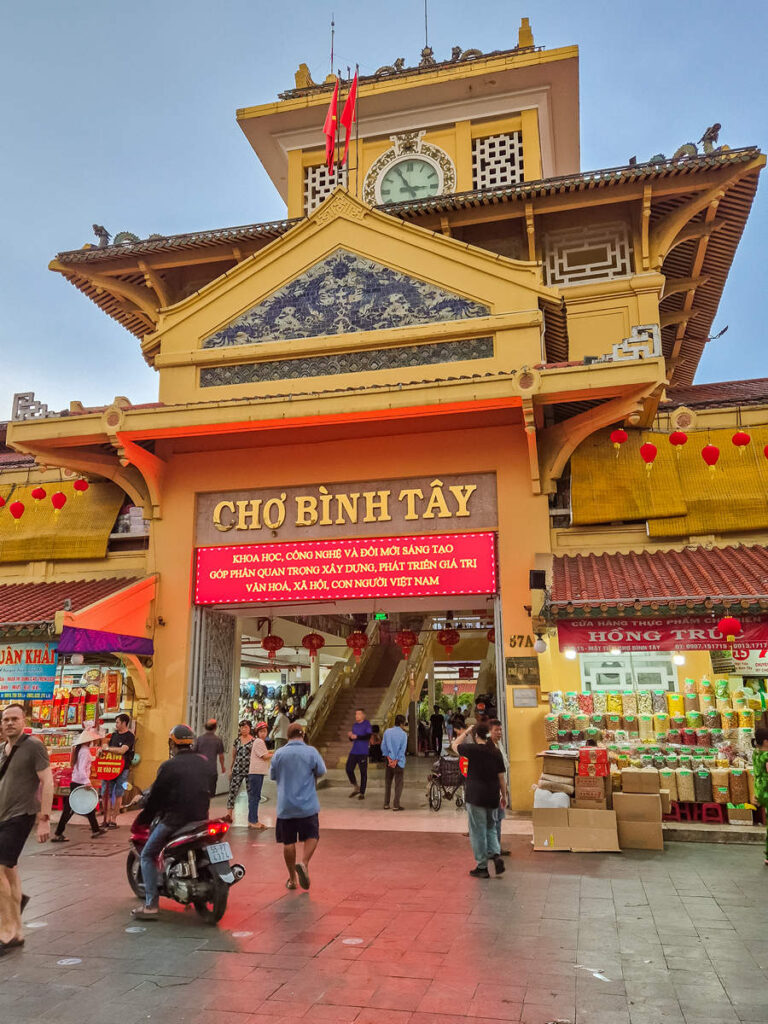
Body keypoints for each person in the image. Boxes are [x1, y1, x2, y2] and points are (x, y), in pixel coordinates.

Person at [131, 724, 210, 920]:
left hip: (175, 820)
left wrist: (144, 817)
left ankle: (150, 905)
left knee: (148, 855)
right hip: (201, 817)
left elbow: (156, 797)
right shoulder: (204, 762)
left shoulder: (168, 766)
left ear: (172, 743)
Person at [0, 704, 53, 954]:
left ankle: (7, 931)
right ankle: (17, 931)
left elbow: (47, 780)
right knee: (9, 871)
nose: (9, 723)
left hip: (20, 816)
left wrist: (45, 818)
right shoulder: (2, 750)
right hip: (2, 818)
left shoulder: (34, 746)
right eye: (6, 719)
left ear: (24, 721)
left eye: (14, 719)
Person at [269, 722, 326, 891]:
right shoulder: (311, 752)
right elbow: (321, 771)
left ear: (288, 736)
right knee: (313, 835)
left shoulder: (279, 754)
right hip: (307, 805)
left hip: (286, 806)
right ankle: (304, 863)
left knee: (288, 842)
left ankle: (292, 879)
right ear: (302, 735)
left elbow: (272, 775)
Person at [456, 722, 507, 878]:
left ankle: (482, 866)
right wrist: (504, 796)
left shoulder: (471, 750)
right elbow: (501, 777)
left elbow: (454, 744)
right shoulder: (495, 752)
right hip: (492, 796)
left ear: (476, 735)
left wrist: (467, 732)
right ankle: (496, 854)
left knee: (478, 832)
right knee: (491, 828)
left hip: (475, 796)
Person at [51, 729, 105, 842]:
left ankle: (95, 829)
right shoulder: (85, 751)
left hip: (76, 781)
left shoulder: (79, 750)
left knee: (87, 806)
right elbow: (82, 769)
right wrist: (86, 781)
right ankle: (58, 833)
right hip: (80, 783)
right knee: (69, 809)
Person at [101, 713, 135, 828]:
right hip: (110, 768)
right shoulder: (114, 735)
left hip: (123, 768)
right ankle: (107, 818)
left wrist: (108, 749)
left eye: (117, 722)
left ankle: (114, 819)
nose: (116, 724)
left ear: (124, 723)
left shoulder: (130, 736)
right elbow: (107, 747)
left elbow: (122, 751)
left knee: (119, 793)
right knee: (106, 793)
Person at [489, 718, 511, 857]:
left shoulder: (499, 745)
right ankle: (492, 849)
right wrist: (502, 791)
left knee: (498, 819)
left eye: (500, 730)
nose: (499, 733)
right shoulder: (489, 748)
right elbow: (498, 773)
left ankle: (496, 847)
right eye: (496, 730)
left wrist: (505, 789)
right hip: (493, 790)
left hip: (501, 788)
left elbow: (504, 769)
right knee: (493, 820)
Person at [226, 721, 254, 821]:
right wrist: (230, 769)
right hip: (237, 769)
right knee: (232, 791)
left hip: (249, 770)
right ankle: (229, 814)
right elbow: (234, 756)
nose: (243, 729)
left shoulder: (254, 741)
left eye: (246, 727)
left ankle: (252, 816)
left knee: (251, 793)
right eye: (242, 728)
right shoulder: (237, 741)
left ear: (249, 728)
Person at [247, 721, 272, 831]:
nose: (263, 733)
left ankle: (252, 820)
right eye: (261, 731)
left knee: (254, 797)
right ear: (257, 732)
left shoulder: (259, 742)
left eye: (265, 731)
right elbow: (265, 756)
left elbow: (265, 754)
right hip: (256, 773)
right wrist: (277, 753)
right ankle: (253, 821)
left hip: (257, 773)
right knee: (255, 797)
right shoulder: (259, 742)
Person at [192, 719, 226, 797]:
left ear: (205, 728)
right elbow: (221, 756)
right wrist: (223, 767)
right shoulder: (218, 740)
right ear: (215, 728)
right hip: (212, 770)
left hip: (200, 769)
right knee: (210, 793)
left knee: (200, 792)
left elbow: (194, 753)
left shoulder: (199, 739)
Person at [381, 714, 408, 811]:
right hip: (399, 763)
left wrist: (389, 759)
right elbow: (402, 750)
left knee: (388, 782)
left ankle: (386, 804)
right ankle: (396, 805)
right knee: (399, 783)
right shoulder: (404, 735)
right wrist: (396, 760)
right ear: (402, 723)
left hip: (389, 762)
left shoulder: (387, 732)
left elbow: (383, 747)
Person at [346, 708, 372, 800]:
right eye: (356, 714)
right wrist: (351, 737)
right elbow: (353, 738)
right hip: (354, 751)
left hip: (363, 752)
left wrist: (357, 736)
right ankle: (356, 786)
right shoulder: (355, 725)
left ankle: (362, 792)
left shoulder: (367, 724)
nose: (356, 716)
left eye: (359, 714)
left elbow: (368, 736)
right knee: (349, 769)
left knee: (363, 772)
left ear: (363, 715)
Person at [752, 727, 768, 865]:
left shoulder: (755, 754)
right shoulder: (766, 756)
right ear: (766, 742)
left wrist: (755, 794)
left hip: (760, 791)